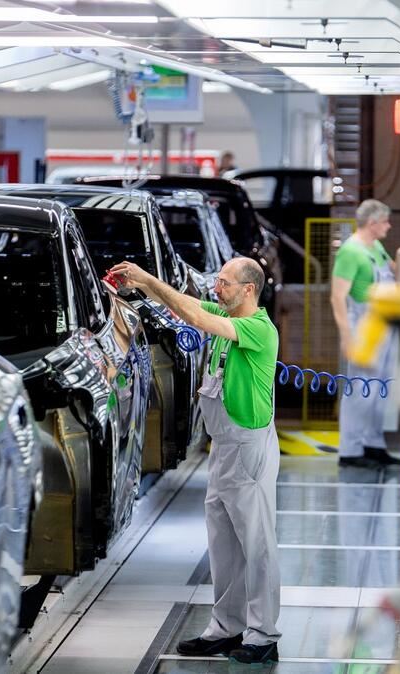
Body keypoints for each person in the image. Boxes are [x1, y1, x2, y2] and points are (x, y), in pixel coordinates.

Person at [109, 256, 282, 665]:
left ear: (248, 290)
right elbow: (182, 306)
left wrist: (148, 276)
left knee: (257, 545)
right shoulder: (225, 311)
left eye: (223, 283)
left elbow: (197, 318)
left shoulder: (257, 328)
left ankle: (264, 633)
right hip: (223, 447)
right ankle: (226, 626)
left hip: (248, 448)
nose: (215, 288)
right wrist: (138, 286)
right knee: (223, 542)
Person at [329, 199, 400, 468]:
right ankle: (351, 450)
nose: (389, 226)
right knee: (360, 388)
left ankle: (372, 445)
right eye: (386, 222)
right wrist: (347, 336)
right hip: (363, 326)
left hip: (384, 324)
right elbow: (338, 298)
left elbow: (392, 272)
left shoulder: (375, 246)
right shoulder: (351, 252)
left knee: (380, 388)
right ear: (373, 223)